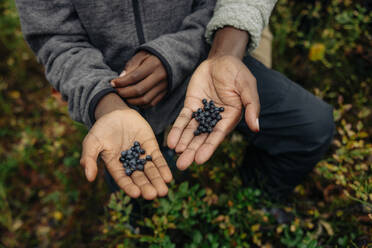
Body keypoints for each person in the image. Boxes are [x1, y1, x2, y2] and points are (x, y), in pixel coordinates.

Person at [15, 0, 216, 200]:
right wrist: (104, 100)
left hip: (198, 83)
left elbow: (213, 6)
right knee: (139, 204)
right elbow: (54, 39)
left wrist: (175, 55)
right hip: (112, 104)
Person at [168, 0, 335, 199]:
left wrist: (226, 54)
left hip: (219, 37)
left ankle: (255, 202)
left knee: (312, 124)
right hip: (129, 81)